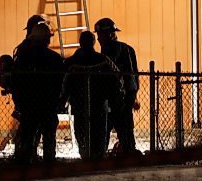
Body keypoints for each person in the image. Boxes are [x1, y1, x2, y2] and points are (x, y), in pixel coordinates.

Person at [61, 31, 124, 160]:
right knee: (100, 132)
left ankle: (85, 155)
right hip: (100, 103)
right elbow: (118, 78)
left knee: (81, 132)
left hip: (79, 102)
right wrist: (114, 96)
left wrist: (64, 98)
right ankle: (99, 157)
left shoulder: (72, 62)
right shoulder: (103, 60)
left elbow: (64, 82)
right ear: (94, 42)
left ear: (80, 43)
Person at [10, 22, 64, 164]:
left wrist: (19, 103)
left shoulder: (23, 58)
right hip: (48, 104)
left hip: (29, 105)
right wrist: (59, 101)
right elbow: (60, 83)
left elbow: (15, 82)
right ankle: (49, 163)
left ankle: (26, 163)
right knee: (49, 135)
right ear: (47, 39)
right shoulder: (55, 58)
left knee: (28, 134)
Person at [94, 18, 140, 154]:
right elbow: (135, 74)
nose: (98, 38)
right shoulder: (128, 48)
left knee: (109, 124)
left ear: (108, 34)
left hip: (115, 94)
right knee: (126, 124)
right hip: (129, 92)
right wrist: (135, 94)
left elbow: (108, 71)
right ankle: (129, 149)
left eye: (99, 35)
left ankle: (102, 153)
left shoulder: (109, 50)